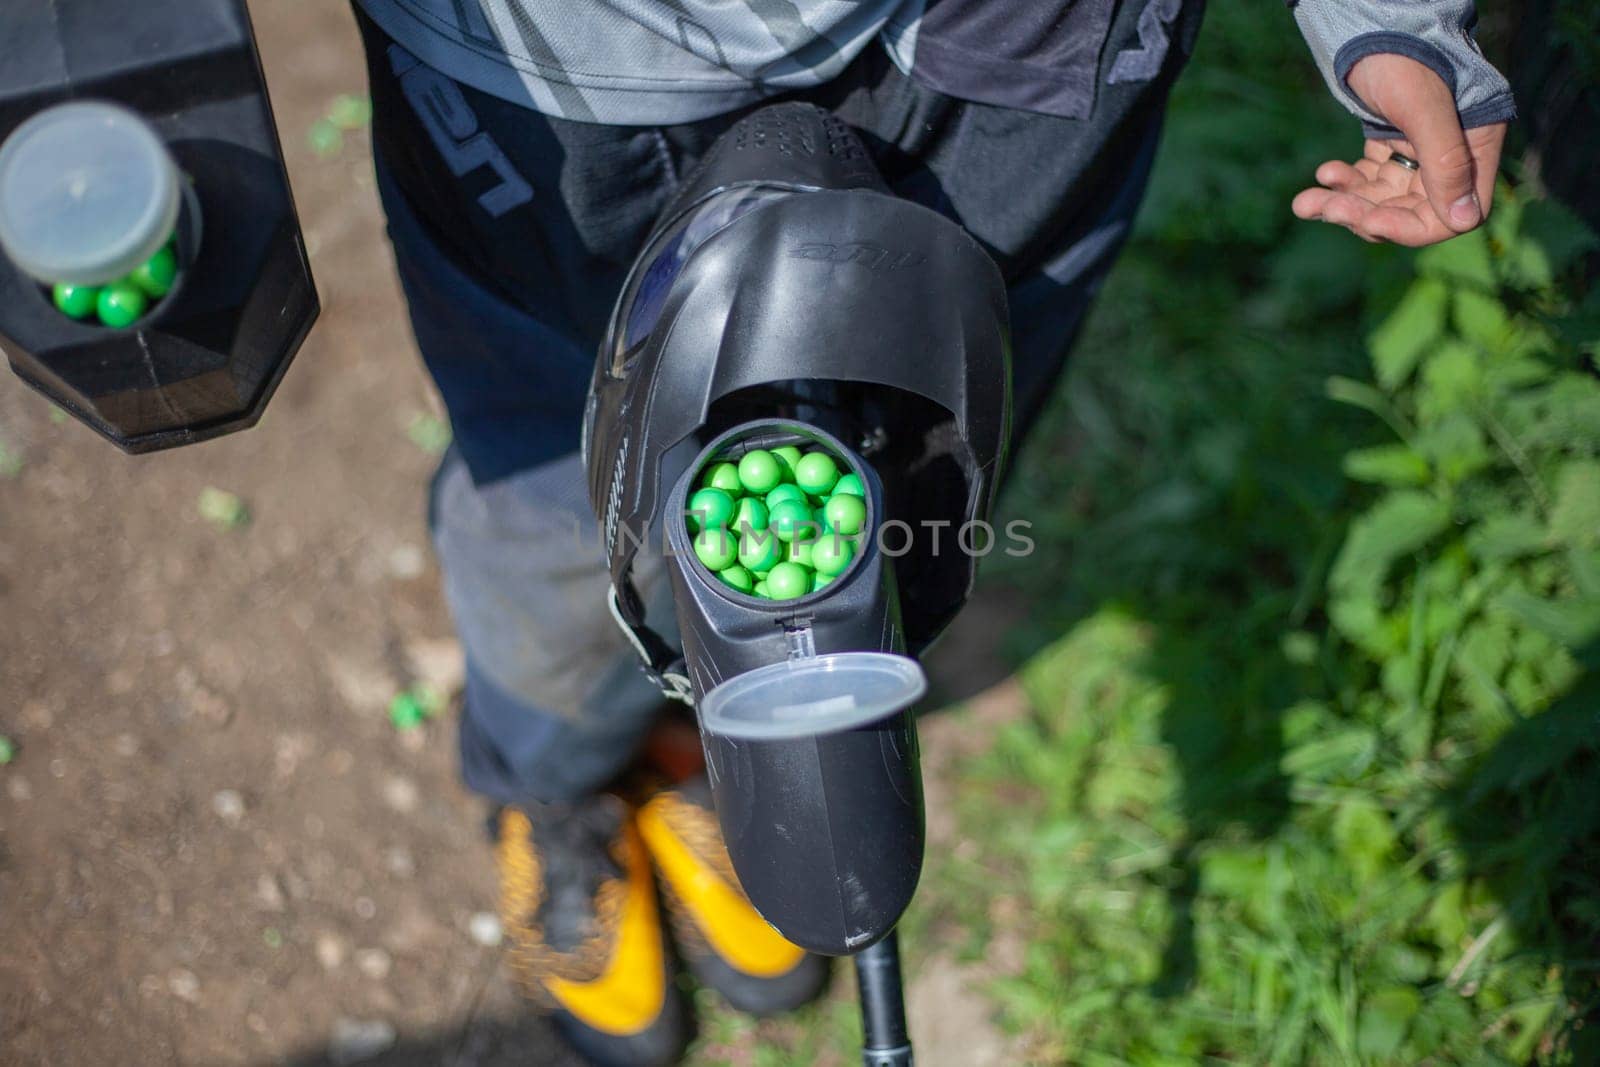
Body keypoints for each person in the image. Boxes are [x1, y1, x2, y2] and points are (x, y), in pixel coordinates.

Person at [346, 1, 1513, 1062]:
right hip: (566, 71)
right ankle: (557, 785)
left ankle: (713, 739)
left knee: (908, 482)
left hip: (1026, 47)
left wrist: (1391, 18)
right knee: (563, 491)